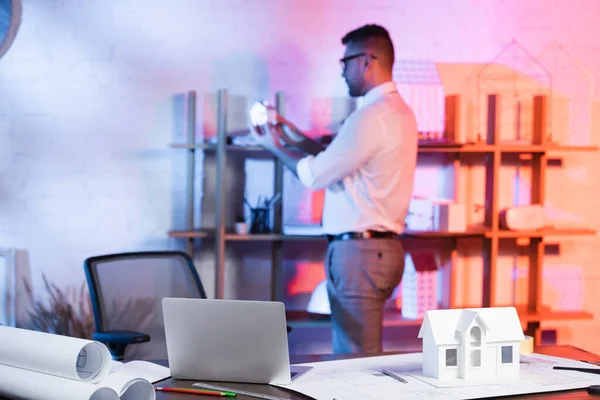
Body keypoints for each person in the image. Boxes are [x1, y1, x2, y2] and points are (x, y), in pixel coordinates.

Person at [250, 24, 418, 354]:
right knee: (359, 355)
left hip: (360, 256)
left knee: (356, 361)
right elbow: (341, 163)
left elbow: (316, 176)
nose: (342, 72)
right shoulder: (399, 113)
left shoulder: (371, 116)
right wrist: (293, 135)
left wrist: (271, 144)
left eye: (345, 62)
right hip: (380, 250)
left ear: (368, 60)